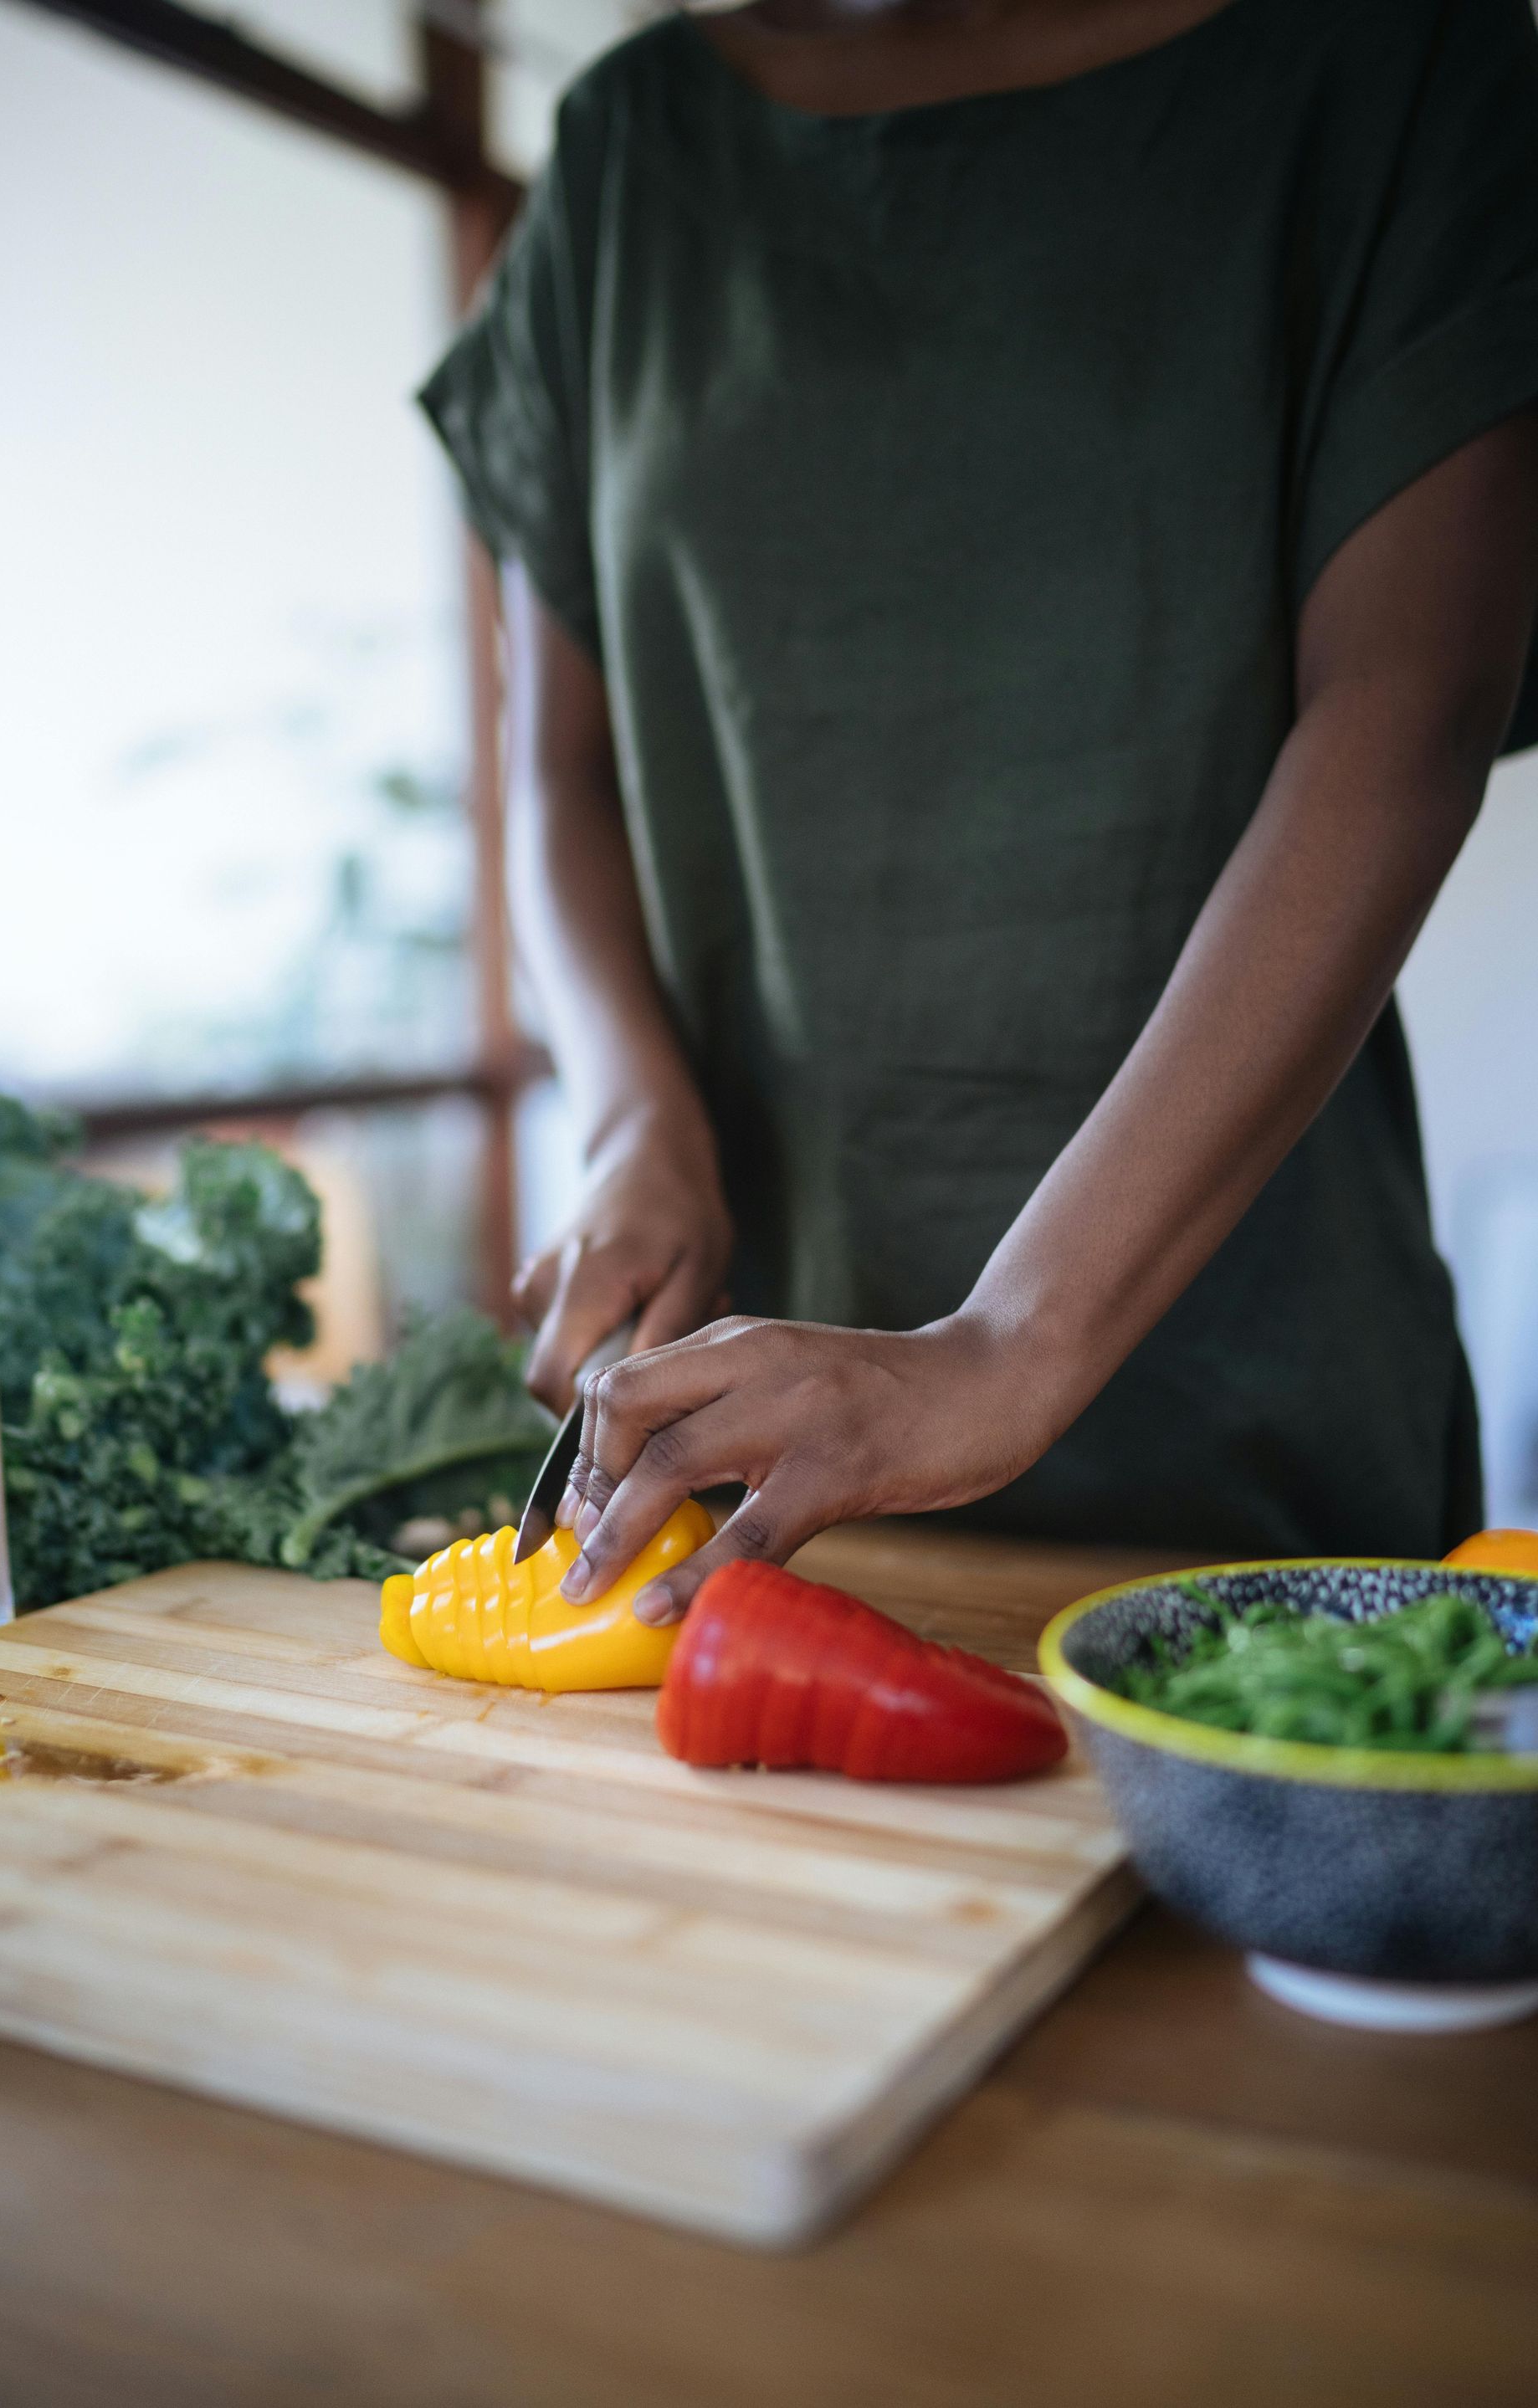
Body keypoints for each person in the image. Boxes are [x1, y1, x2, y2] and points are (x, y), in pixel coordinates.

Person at [421, 0, 1538, 1627]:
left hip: (1256, 1462)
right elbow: (555, 774)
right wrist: (631, 1122)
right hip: (754, 1495)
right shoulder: (624, 156)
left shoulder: (1403, 66)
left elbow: (1404, 713)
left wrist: (1009, 1343)